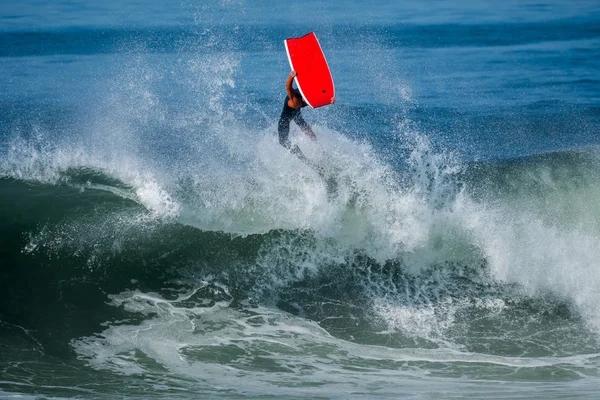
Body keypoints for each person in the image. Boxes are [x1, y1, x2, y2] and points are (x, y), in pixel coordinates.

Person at [277, 70, 334, 173]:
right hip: (285, 118)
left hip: (296, 114)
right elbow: (288, 87)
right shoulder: (294, 99)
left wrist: (330, 99)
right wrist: (291, 76)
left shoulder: (307, 98)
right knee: (282, 141)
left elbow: (320, 97)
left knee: (308, 131)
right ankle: (303, 157)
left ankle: (319, 148)